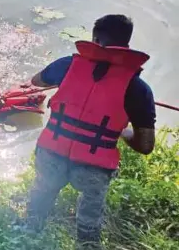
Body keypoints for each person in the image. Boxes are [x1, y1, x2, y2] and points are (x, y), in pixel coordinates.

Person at [21, 14, 156, 249]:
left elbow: (37, 81)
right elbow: (145, 145)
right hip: (93, 167)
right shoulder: (139, 88)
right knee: (89, 222)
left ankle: (27, 233)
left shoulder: (67, 65)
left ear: (95, 39)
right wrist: (123, 133)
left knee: (41, 195)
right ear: (126, 44)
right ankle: (87, 245)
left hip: (52, 152)